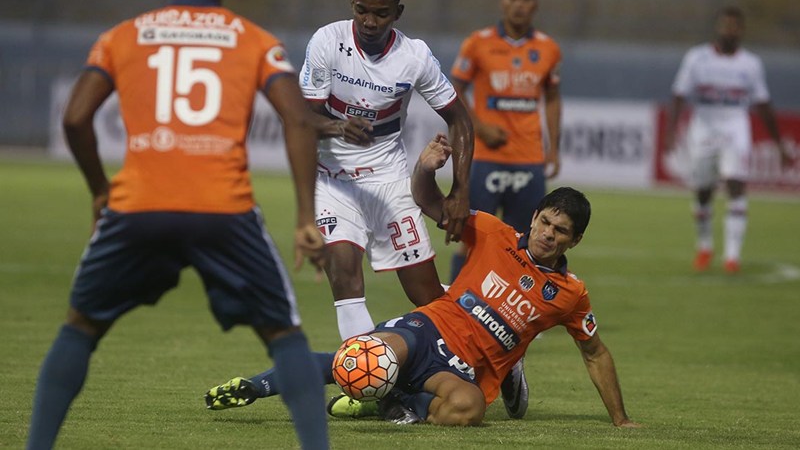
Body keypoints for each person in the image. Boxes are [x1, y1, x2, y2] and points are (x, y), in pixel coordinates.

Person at [26, 0, 328, 449]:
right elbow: (298, 118)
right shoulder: (253, 39)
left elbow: (76, 118)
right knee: (283, 334)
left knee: (80, 326)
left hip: (138, 205)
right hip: (223, 210)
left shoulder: (123, 36)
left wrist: (101, 190)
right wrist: (304, 216)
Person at [204, 135, 640, 429]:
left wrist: (619, 419)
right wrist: (426, 169)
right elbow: (429, 202)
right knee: (364, 356)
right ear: (534, 216)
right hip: (428, 329)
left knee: (468, 411)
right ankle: (255, 385)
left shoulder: (570, 295)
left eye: (560, 231)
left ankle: (394, 402)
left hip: (464, 369)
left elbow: (595, 352)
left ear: (575, 240)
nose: (548, 234)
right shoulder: (492, 232)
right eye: (545, 222)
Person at [298, 0, 473, 341]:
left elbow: (460, 120)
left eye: (381, 13)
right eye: (362, 10)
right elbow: (303, 118)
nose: (370, 21)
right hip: (332, 181)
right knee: (344, 275)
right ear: (352, 3)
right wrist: (335, 127)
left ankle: (489, 350)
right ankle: (365, 380)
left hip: (388, 180)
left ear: (398, 12)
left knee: (424, 295)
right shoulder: (327, 42)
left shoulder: (415, 57)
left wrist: (459, 190)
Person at [447, 0, 563, 420]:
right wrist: (476, 125)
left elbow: (552, 97)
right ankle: (458, 312)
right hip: (487, 160)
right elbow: (451, 90)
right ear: (503, 2)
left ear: (534, 4)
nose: (518, 4)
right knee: (469, 234)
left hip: (529, 160)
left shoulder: (548, 49)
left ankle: (510, 333)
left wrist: (555, 144)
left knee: (529, 249)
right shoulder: (477, 44)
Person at [665, 6, 792, 274]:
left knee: (736, 184)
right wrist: (671, 131)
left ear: (741, 30)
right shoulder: (697, 58)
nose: (729, 30)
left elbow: (764, 104)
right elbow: (678, 95)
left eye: (734, 26)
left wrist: (779, 144)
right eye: (725, 25)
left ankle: (732, 257)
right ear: (718, 28)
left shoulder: (751, 64)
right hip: (704, 129)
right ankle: (705, 246)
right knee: (703, 191)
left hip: (736, 128)